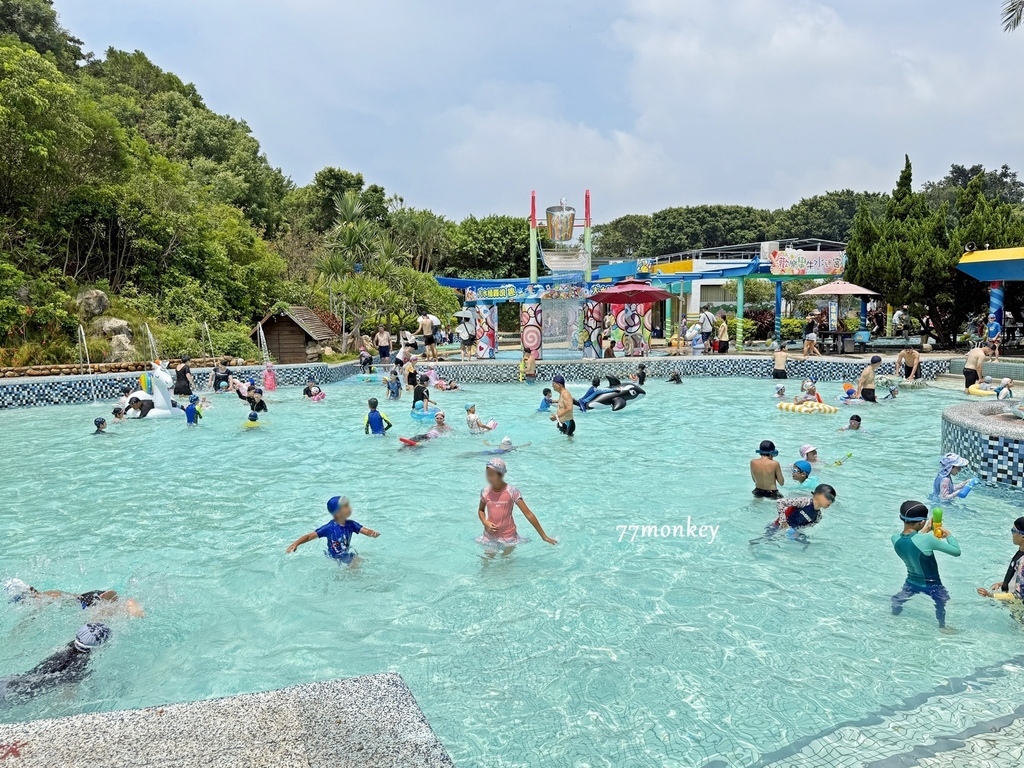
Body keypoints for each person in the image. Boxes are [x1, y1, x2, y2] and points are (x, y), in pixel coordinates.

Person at [891, 501, 961, 630]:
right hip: (933, 585)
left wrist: (925, 530)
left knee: (898, 599)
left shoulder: (895, 539)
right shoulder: (928, 540)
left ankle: (894, 615)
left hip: (911, 582)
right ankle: (942, 627)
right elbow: (956, 552)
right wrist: (949, 535)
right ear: (921, 522)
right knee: (941, 602)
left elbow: (913, 541)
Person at [0, 623, 111, 704]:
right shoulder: (80, 665)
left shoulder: (66, 648)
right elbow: (68, 695)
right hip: (19, 694)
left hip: (10, 682)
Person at [476, 458, 557, 555]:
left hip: (508, 536)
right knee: (486, 561)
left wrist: (544, 536)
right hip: (490, 535)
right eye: (487, 474)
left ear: (501, 475)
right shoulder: (485, 491)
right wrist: (485, 522)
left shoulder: (512, 492)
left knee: (506, 563)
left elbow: (528, 514)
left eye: (492, 475)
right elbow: (481, 510)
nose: (489, 478)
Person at [286, 496, 380, 563]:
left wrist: (372, 533)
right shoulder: (329, 528)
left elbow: (365, 531)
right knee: (356, 560)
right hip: (334, 556)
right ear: (338, 512)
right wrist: (295, 544)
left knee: (366, 557)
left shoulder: (351, 524)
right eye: (346, 506)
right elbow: (309, 536)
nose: (350, 508)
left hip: (345, 554)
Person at [3, 580, 144, 617]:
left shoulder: (46, 598)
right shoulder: (51, 593)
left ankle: (34, 594)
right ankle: (33, 595)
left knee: (69, 599)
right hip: (92, 597)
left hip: (90, 600)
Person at [976, 516, 1024, 601]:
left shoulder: (1023, 562)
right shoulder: (1020, 552)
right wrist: (1003, 584)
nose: (1012, 533)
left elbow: (1019, 596)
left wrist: (990, 595)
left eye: (1013, 530)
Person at [768, 484, 836, 533]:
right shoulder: (804, 502)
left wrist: (795, 533)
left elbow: (803, 528)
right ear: (817, 494)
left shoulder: (818, 517)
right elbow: (780, 502)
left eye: (833, 500)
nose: (830, 501)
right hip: (777, 526)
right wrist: (783, 523)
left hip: (790, 531)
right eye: (829, 497)